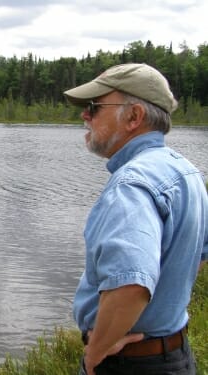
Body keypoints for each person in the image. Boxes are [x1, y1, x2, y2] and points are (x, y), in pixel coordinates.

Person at [63, 63, 208, 375]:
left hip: (131, 363)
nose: (85, 116)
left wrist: (95, 354)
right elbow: (199, 255)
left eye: (94, 107)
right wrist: (163, 308)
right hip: (175, 356)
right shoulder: (184, 170)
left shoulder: (131, 184)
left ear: (134, 117)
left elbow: (130, 285)